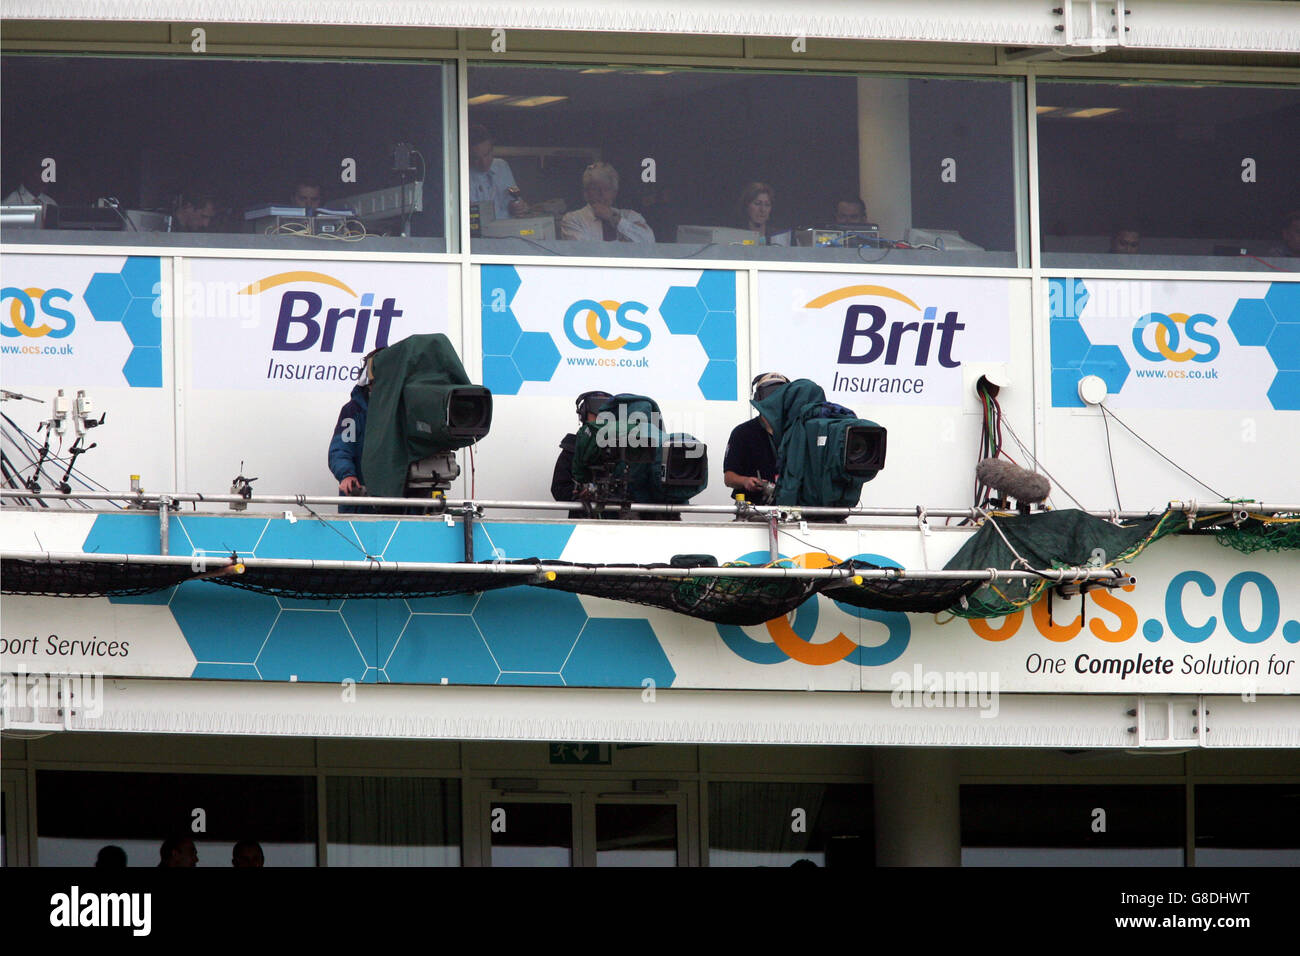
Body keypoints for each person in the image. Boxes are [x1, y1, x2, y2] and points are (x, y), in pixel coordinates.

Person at [328, 347, 384, 513]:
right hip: (361, 509)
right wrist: (347, 475)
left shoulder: (409, 411)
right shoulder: (353, 411)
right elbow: (340, 450)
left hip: (405, 509)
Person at [723, 372, 788, 502]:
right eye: (770, 394)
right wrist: (745, 481)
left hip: (790, 510)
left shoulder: (796, 432)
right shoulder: (742, 433)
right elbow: (729, 477)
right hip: (753, 510)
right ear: (758, 398)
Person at [552, 390, 612, 517]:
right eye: (596, 415)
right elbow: (558, 489)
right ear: (584, 416)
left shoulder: (624, 448)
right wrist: (580, 494)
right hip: (583, 520)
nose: (601, 421)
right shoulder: (572, 449)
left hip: (619, 522)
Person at [560, 162, 655, 243]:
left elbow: (650, 242)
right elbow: (583, 253)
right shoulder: (573, 219)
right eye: (595, 189)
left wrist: (615, 219)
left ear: (614, 192)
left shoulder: (631, 216)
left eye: (607, 189)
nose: (602, 194)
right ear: (586, 193)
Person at [469, 124, 526, 220]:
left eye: (487, 155)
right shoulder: (463, 177)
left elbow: (515, 193)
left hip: (507, 229)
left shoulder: (502, 166)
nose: (484, 163)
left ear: (492, 149)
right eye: (476, 158)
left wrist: (518, 206)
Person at [739, 182, 788, 246]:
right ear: (746, 205)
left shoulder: (778, 237)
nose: (763, 209)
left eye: (767, 205)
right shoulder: (738, 235)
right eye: (757, 203)